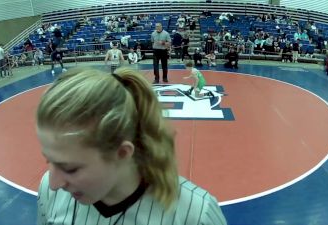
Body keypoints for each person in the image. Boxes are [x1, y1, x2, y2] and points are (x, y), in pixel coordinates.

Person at [36, 67, 228, 225]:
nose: (54, 184)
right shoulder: (48, 190)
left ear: (122, 153)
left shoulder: (196, 215)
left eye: (70, 168)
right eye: (48, 161)